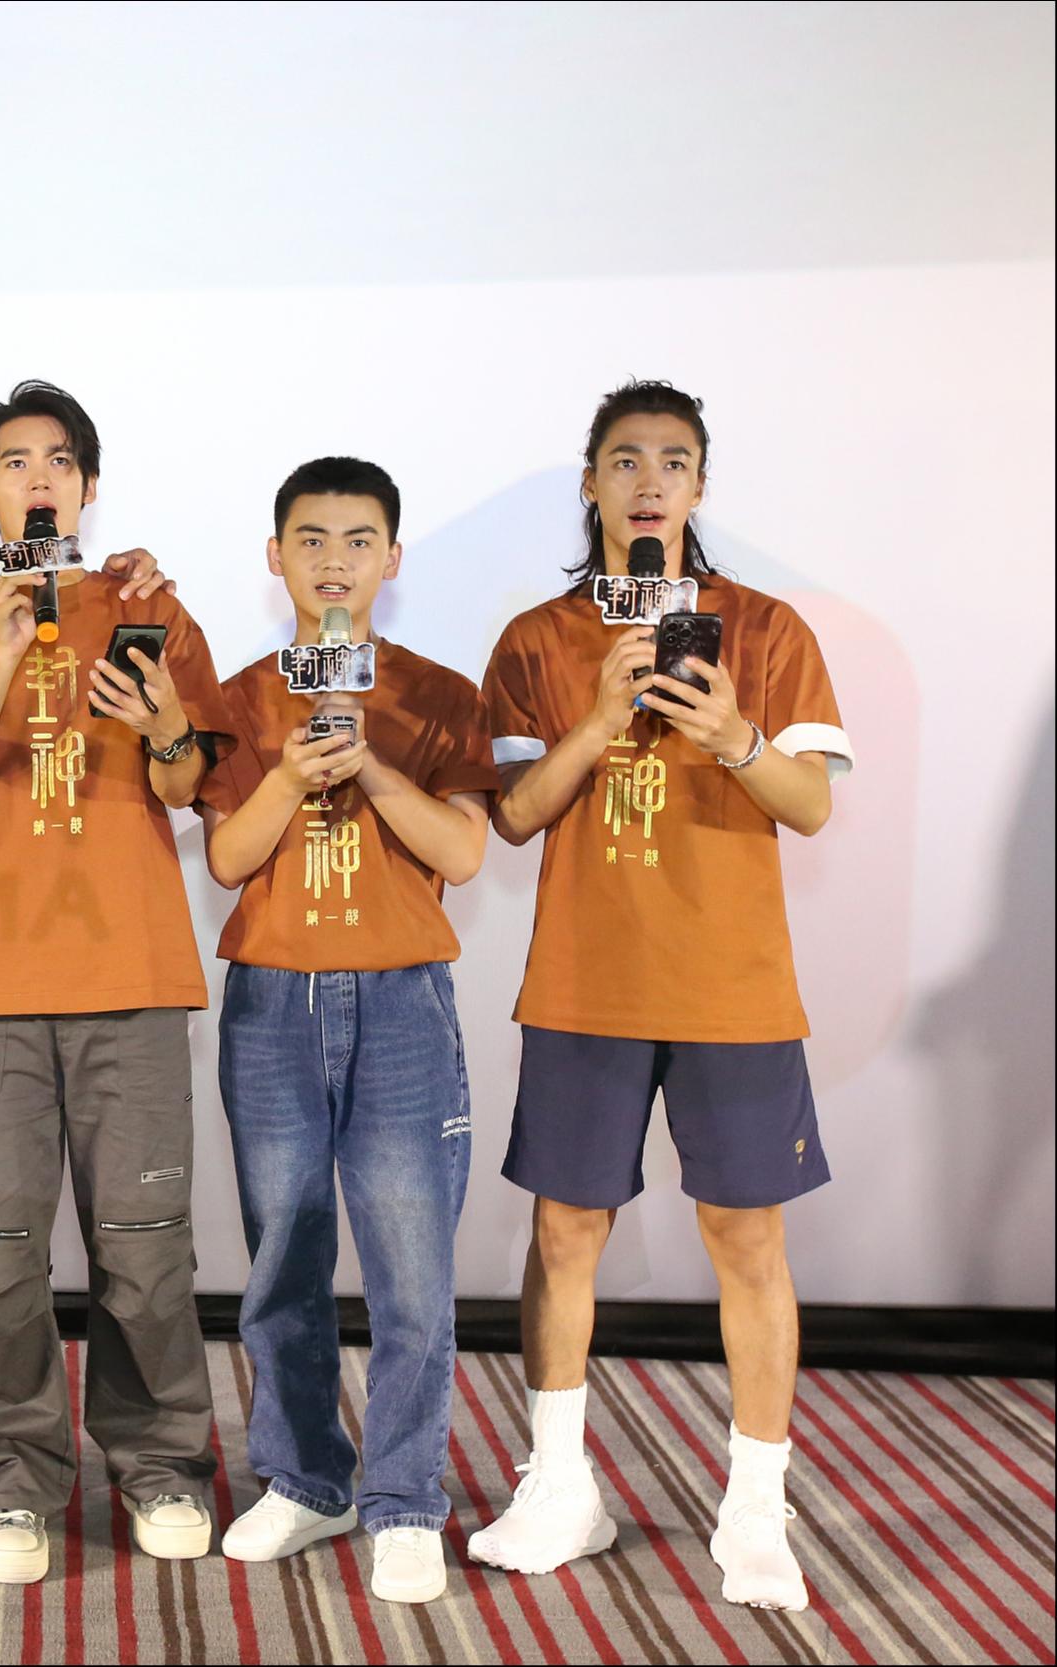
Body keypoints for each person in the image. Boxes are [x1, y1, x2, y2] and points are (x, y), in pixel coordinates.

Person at [467, 380, 852, 1613]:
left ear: (698, 485)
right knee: (563, 1232)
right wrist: (596, 718)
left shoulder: (766, 627)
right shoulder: (537, 636)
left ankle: (755, 1507)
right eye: (624, 460)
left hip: (732, 986)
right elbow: (513, 816)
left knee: (746, 1237)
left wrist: (736, 734)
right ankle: (558, 1483)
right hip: (585, 978)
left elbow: (810, 804)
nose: (647, 481)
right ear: (590, 482)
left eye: (671, 461)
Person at [0, 381, 229, 1585]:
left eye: (57, 461)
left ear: (87, 485)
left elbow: (186, 784)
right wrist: (0, 653)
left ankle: (160, 1462)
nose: (37, 479)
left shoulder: (150, 610)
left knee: (146, 1246)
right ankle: (7, 1476)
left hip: (130, 972)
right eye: (13, 463)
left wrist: (164, 715)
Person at [200, 456, 497, 1604]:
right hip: (274, 996)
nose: (334, 560)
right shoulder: (239, 694)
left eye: (358, 539)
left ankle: (406, 1495)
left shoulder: (436, 692)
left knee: (411, 1262)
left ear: (392, 557)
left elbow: (463, 850)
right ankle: (305, 1475)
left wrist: (367, 760)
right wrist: (286, 775)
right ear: (274, 555)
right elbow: (228, 857)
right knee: (284, 1249)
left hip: (400, 996)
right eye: (311, 539)